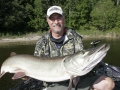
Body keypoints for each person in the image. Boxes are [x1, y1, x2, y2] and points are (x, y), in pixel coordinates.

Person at [10, 5, 115, 90]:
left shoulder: (75, 37)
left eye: (59, 17)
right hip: (54, 85)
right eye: (52, 19)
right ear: (48, 21)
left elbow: (81, 63)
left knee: (108, 83)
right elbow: (30, 74)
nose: (56, 22)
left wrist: (94, 60)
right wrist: (23, 74)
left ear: (63, 18)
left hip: (77, 79)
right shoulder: (41, 43)